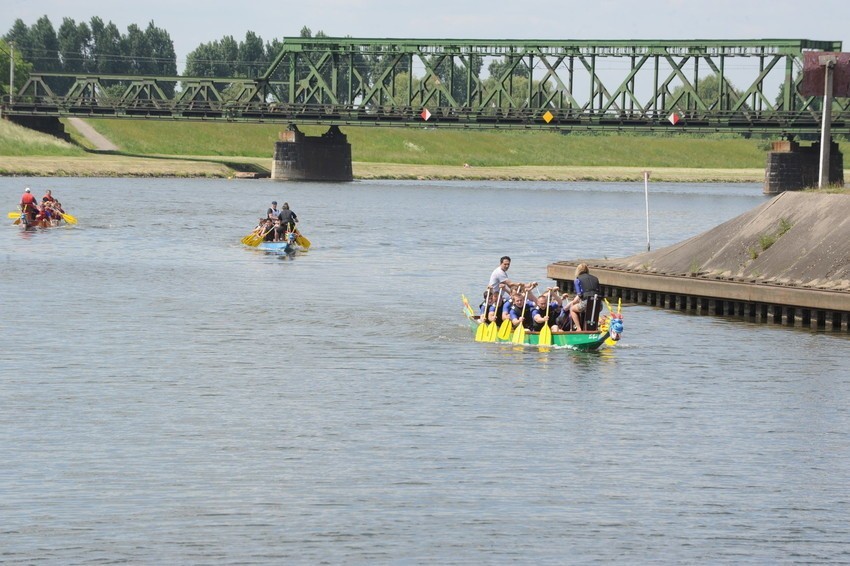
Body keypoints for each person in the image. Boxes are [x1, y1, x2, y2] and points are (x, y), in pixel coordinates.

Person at [574, 263, 602, 330]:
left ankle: (578, 328)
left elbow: (579, 294)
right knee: (591, 311)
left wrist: (575, 301)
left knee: (572, 309)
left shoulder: (577, 279)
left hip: (587, 302)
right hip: (599, 304)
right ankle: (594, 328)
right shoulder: (595, 278)